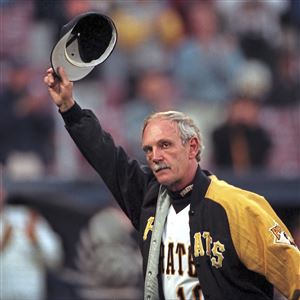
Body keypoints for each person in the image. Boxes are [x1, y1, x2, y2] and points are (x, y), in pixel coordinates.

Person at [44, 67, 300, 300]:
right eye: (148, 149)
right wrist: (69, 108)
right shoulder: (149, 197)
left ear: (193, 147)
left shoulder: (239, 207)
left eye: (165, 145)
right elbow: (106, 157)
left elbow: (294, 277)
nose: (155, 156)